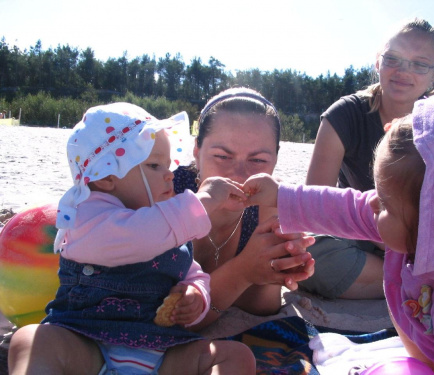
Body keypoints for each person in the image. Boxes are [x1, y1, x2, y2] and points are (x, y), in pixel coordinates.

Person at [244, 95, 434, 374]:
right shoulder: (414, 228)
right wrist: (281, 196)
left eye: (386, 202)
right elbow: (345, 208)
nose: (372, 203)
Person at [8, 103, 256, 374]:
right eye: (154, 165)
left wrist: (195, 295)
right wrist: (203, 201)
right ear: (106, 177)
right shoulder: (87, 217)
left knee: (236, 357)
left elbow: (192, 271)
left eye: (167, 164)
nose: (169, 174)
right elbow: (136, 235)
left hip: (163, 350)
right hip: (87, 341)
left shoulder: (166, 220)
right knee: (32, 340)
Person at [302, 18, 434, 300]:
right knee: (308, 253)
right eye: (394, 59)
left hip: (429, 242)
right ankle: (421, 285)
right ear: (378, 62)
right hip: (364, 234)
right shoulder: (345, 115)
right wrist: (383, 236)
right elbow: (314, 205)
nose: (404, 71)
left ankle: (419, 282)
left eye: (419, 64)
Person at [173, 87, 315, 328]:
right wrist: (243, 272)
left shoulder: (267, 204)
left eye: (258, 160)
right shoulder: (168, 193)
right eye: (222, 156)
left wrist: (283, 267)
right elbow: (170, 315)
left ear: (276, 160)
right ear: (197, 151)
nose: (239, 175)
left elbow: (264, 305)